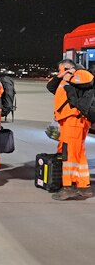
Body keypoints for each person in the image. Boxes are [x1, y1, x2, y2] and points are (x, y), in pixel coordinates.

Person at [46, 59, 93, 200]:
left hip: (74, 120)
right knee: (77, 153)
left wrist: (71, 74)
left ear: (68, 68)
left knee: (69, 154)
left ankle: (69, 187)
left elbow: (89, 80)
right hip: (68, 121)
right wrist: (61, 76)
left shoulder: (81, 74)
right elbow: (50, 87)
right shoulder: (64, 80)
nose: (59, 73)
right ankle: (83, 186)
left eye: (60, 69)